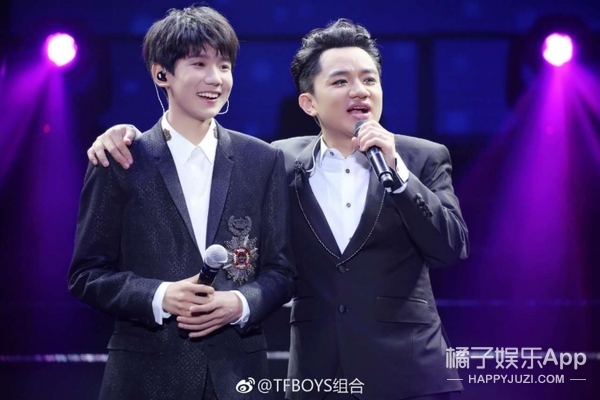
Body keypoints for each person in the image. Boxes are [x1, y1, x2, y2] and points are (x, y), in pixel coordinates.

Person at [86, 19, 469, 400]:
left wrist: (399, 174)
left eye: (369, 79)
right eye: (340, 81)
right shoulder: (275, 161)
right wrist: (124, 136)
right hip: (319, 377)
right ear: (308, 102)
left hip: (412, 373)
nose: (359, 90)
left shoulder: (422, 158)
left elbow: (450, 249)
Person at [68, 6, 295, 400]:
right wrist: (160, 296)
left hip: (238, 377)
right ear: (162, 75)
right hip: (144, 377)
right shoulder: (121, 159)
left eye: (224, 66)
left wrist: (240, 303)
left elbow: (282, 271)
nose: (215, 78)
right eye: (199, 64)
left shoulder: (263, 160)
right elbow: (86, 274)